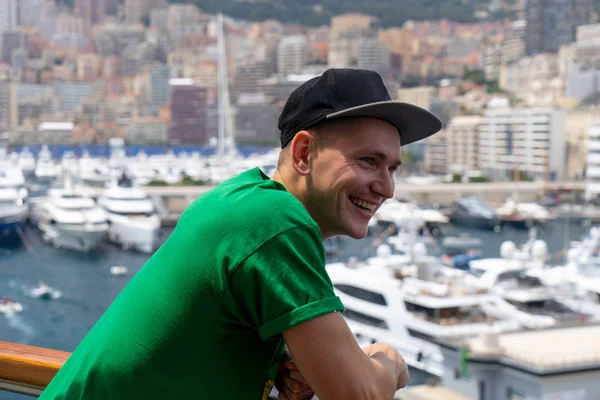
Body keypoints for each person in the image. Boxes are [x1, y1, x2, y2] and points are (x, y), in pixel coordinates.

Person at [39, 68, 442, 400]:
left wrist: (286, 360)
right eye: (368, 161)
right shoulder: (275, 221)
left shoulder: (238, 198)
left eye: (392, 169)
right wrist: (389, 360)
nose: (387, 188)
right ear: (303, 154)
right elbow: (359, 396)